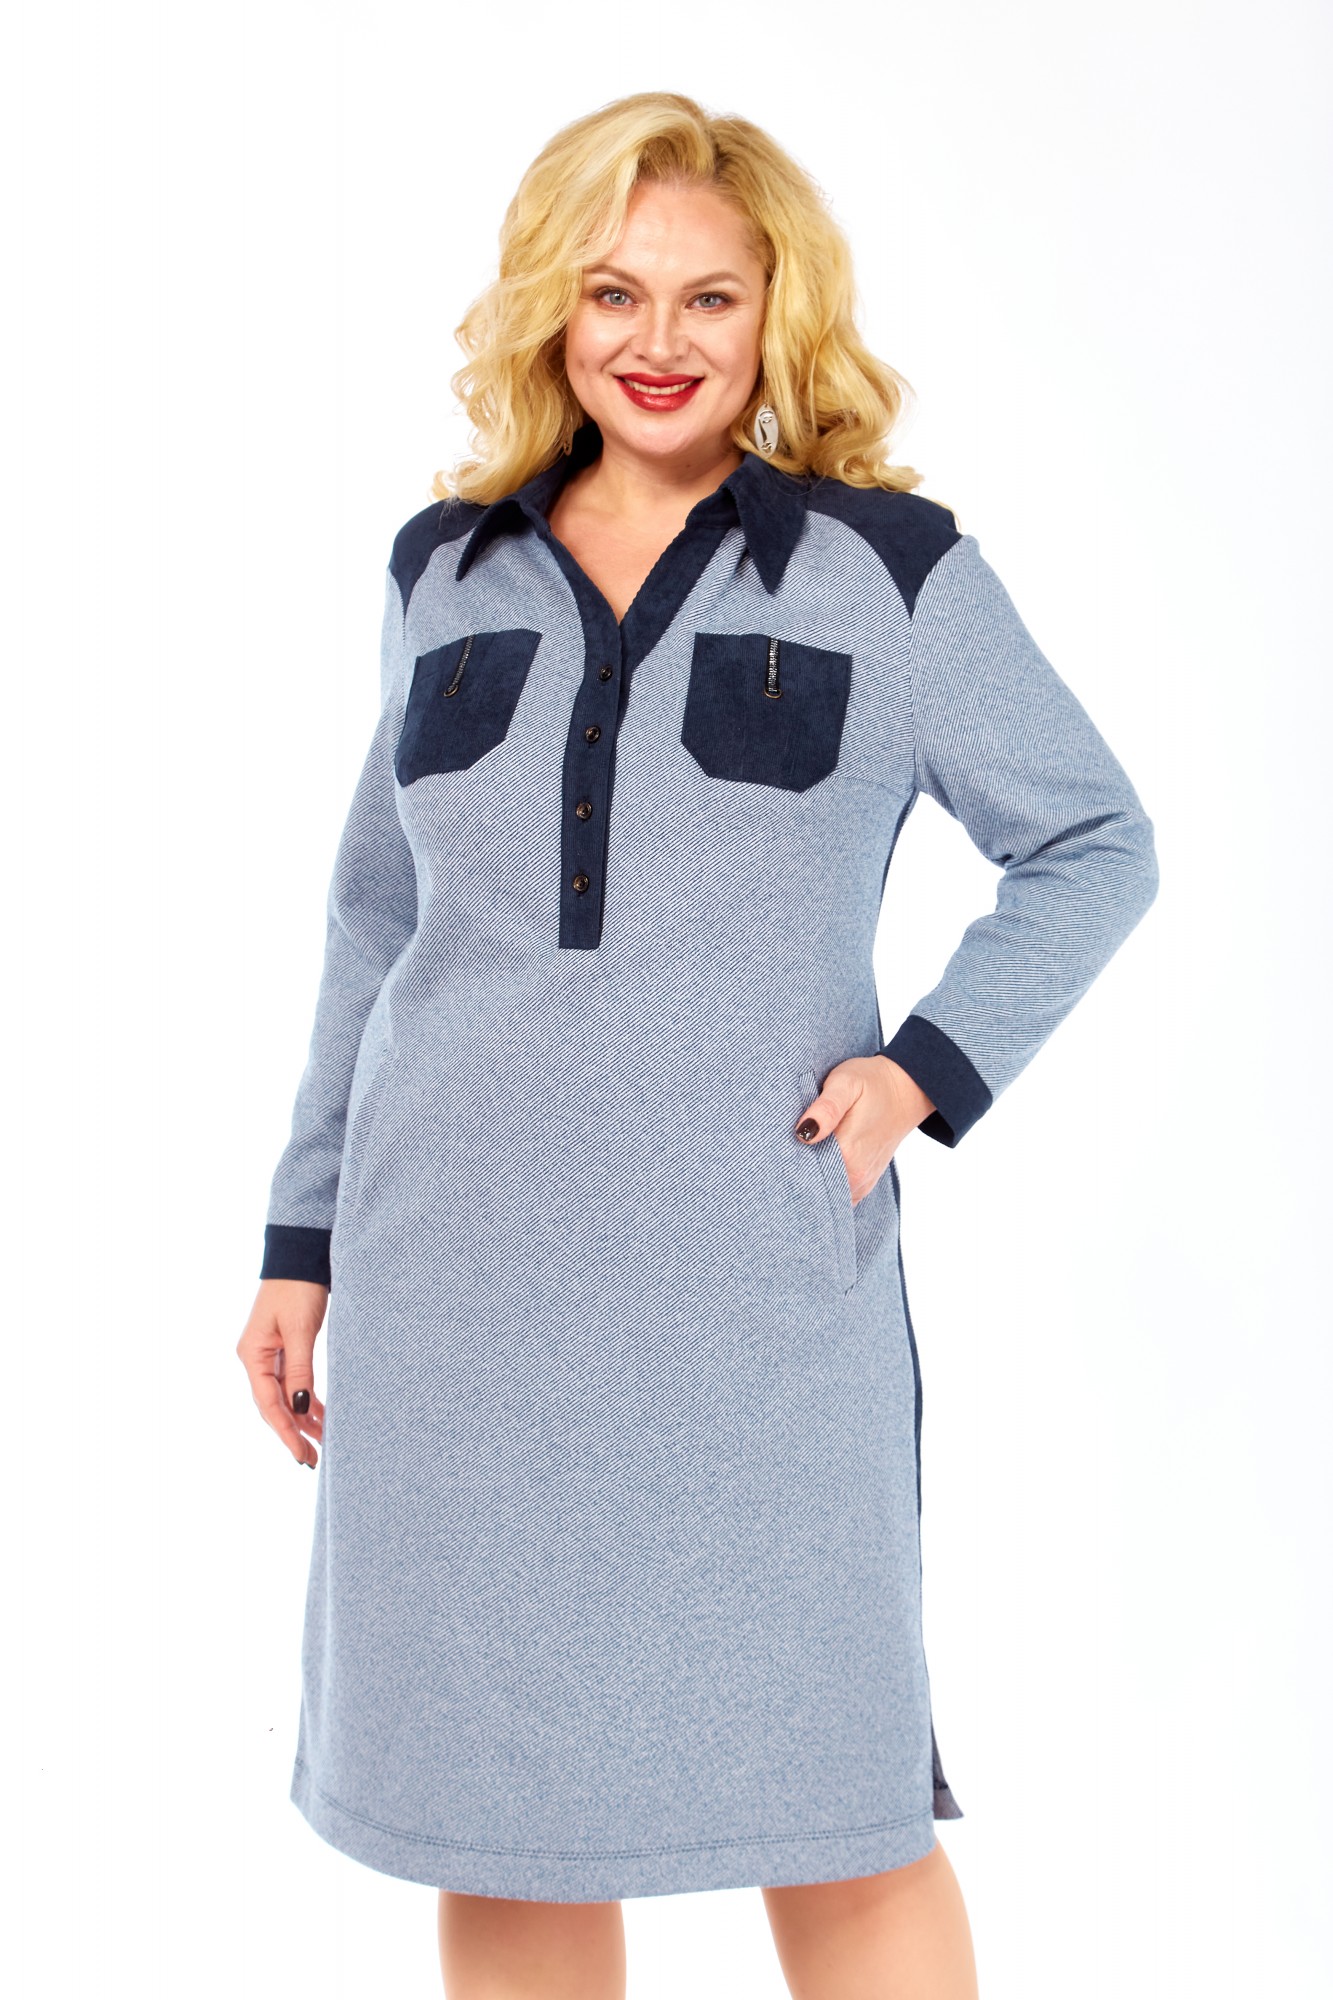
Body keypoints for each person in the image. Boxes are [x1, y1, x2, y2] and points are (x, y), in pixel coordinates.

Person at [237, 90, 1159, 2000]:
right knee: (495, 1809)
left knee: (832, 1804)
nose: (657, 341)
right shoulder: (441, 571)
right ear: (550, 310)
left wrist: (922, 1068)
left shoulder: (887, 571)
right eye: (612, 292)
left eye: (707, 298)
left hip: (751, 1302)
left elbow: (1090, 839)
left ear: (774, 313)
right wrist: (298, 1240)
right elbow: (375, 923)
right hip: (454, 1296)